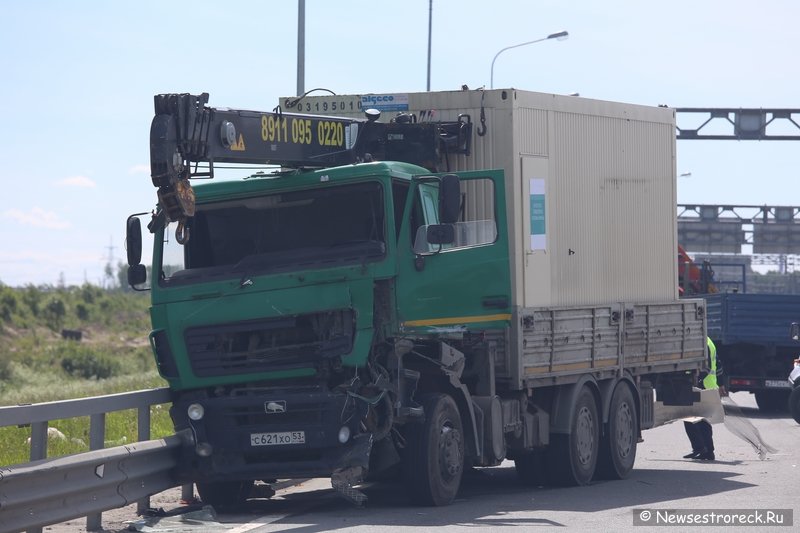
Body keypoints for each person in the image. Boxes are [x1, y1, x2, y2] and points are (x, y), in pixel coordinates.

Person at [683, 337, 725, 461]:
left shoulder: (701, 342)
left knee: (690, 418)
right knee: (703, 421)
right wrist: (721, 384)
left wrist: (695, 381)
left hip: (701, 386)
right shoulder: (709, 342)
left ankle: (700, 448)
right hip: (709, 386)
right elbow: (718, 365)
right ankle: (708, 451)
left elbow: (705, 367)